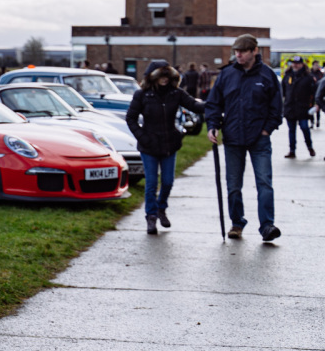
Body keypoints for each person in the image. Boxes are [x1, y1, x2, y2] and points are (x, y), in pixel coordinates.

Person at [205, 35, 283, 242]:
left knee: (264, 183)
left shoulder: (267, 76)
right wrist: (212, 126)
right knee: (233, 185)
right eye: (236, 51)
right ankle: (237, 223)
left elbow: (277, 107)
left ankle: (267, 225)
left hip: (259, 139)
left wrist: (267, 129)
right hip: (232, 138)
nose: (238, 55)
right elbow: (213, 104)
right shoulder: (227, 75)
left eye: (243, 51)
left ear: (254, 51)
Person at [126, 61, 205, 234]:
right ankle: (151, 216)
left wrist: (215, 103)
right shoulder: (142, 95)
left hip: (170, 143)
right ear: (152, 77)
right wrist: (143, 137)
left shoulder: (176, 93)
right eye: (160, 76)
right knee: (151, 183)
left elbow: (195, 105)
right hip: (149, 145)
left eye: (166, 76)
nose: (164, 79)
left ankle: (161, 208)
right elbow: (130, 118)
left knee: (168, 181)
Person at [282, 56, 315, 157]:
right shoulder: (287, 76)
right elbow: (283, 91)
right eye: (293, 63)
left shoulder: (308, 77)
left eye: (297, 63)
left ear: (302, 64)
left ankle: (309, 147)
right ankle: (292, 150)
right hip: (290, 108)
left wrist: (312, 106)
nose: (295, 65)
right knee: (291, 131)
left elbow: (313, 93)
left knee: (305, 128)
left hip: (303, 108)